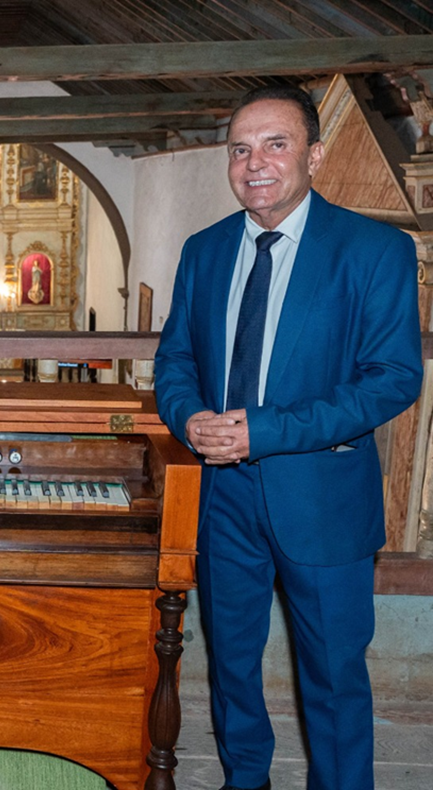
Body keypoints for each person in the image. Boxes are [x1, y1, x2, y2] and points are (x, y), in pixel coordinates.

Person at [154, 86, 423, 790]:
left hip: (324, 496)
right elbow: (175, 362)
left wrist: (264, 429)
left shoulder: (375, 250)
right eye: (241, 149)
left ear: (316, 154)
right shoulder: (205, 250)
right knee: (232, 666)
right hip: (223, 498)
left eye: (276, 144)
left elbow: (392, 379)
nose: (256, 164)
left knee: (334, 677)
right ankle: (247, 780)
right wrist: (188, 418)